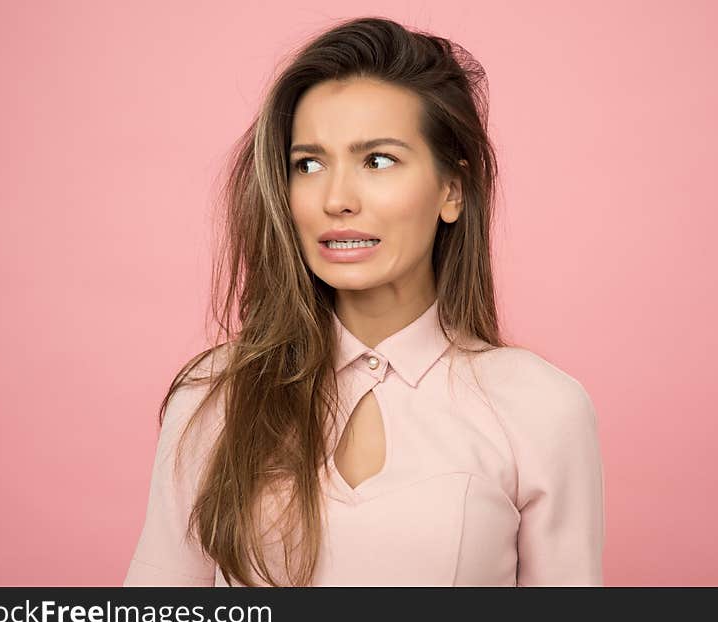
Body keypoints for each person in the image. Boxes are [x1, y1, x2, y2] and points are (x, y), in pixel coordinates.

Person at [123, 16, 605, 587]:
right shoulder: (215, 398)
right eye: (309, 163)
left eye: (377, 160)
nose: (336, 199)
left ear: (452, 190)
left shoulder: (541, 407)